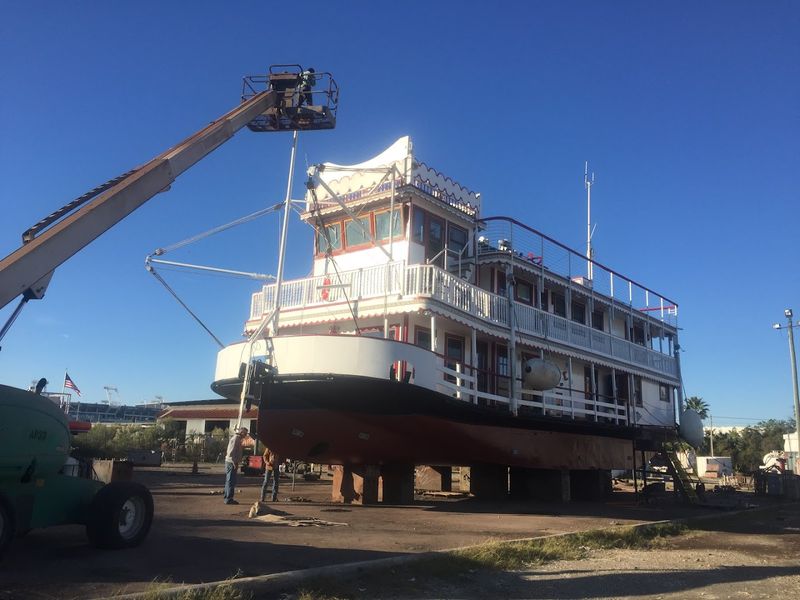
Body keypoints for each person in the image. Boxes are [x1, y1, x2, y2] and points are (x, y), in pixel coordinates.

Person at [223, 427, 247, 505]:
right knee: (231, 480)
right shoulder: (236, 439)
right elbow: (231, 452)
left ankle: (227, 497)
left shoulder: (237, 439)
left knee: (229, 480)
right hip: (231, 462)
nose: (245, 435)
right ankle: (229, 498)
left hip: (230, 462)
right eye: (245, 433)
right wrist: (234, 463)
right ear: (241, 432)